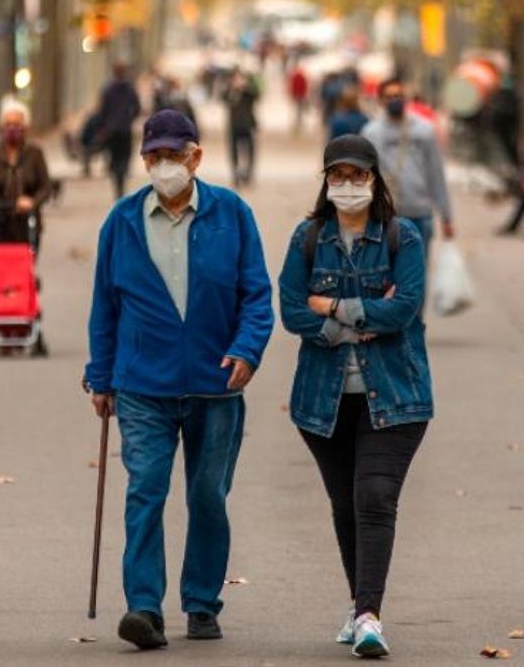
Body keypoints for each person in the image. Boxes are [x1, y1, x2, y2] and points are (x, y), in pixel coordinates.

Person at [84, 109, 274, 651]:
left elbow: (256, 295)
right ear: (144, 159)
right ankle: (144, 606)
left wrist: (247, 350)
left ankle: (200, 601)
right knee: (145, 491)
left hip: (216, 384)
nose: (165, 165)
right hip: (143, 384)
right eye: (155, 156)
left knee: (208, 495)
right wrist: (100, 378)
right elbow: (105, 307)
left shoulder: (231, 214)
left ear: (196, 156)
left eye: (175, 154)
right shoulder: (121, 222)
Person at [278, 135, 429, 660]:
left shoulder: (400, 238)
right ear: (325, 182)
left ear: (374, 179)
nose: (347, 185)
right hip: (323, 401)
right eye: (337, 176)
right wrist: (358, 317)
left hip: (396, 395)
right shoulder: (308, 238)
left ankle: (369, 615)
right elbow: (293, 311)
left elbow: (404, 310)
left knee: (374, 498)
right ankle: (357, 603)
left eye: (357, 175)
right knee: (345, 504)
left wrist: (333, 307)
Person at [360, 78, 454, 252]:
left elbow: (435, 172)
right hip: (385, 216)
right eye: (389, 96)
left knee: (417, 273)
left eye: (398, 95)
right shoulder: (370, 132)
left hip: (420, 213)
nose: (394, 100)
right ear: (380, 100)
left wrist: (446, 215)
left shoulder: (424, 129)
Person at [0, 102, 53, 251]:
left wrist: (32, 202)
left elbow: (46, 187)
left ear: (25, 127)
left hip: (25, 224)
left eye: (17, 124)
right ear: (1, 126)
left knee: (23, 267)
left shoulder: (34, 153)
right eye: (8, 124)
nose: (12, 128)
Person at [94, 63, 143, 200]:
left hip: (111, 130)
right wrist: (129, 119)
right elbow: (137, 107)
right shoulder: (130, 89)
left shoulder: (107, 90)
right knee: (124, 156)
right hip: (125, 130)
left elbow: (102, 111)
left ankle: (118, 181)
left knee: (114, 157)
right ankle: (122, 175)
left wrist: (102, 127)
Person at [226, 69, 259, 187]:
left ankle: (248, 175)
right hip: (234, 126)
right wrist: (232, 88)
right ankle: (236, 175)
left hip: (248, 125)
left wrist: (245, 86)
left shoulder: (248, 92)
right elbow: (223, 97)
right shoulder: (229, 91)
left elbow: (256, 95)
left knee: (250, 151)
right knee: (234, 151)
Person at [289, 63, 310, 136]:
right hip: (300, 94)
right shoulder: (301, 76)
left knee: (299, 108)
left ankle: (298, 119)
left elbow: (292, 86)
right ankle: (299, 119)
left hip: (298, 94)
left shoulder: (295, 76)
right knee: (299, 108)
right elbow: (305, 85)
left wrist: (293, 94)